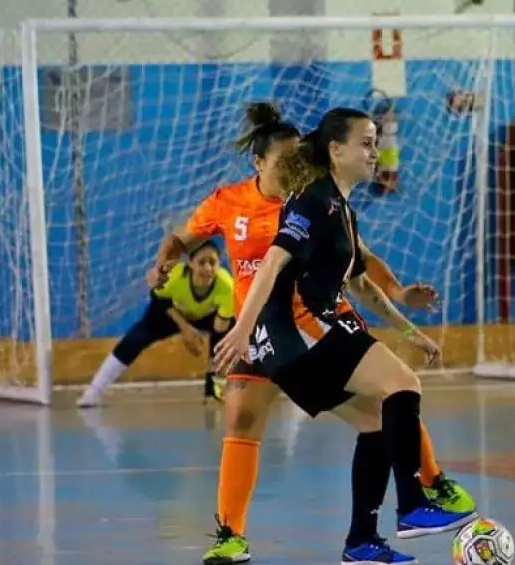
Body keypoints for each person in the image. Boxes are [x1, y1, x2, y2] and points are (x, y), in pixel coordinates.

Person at [148, 103, 475, 565]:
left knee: (381, 414)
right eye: (284, 160)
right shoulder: (259, 201)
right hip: (278, 330)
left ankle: (372, 533)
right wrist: (166, 265)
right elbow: (227, 251)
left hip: (300, 324)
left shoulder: (319, 198)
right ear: (260, 162)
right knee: (249, 421)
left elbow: (358, 263)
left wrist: (401, 301)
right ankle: (232, 534)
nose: (294, 165)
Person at [78, 241, 234, 407]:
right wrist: (186, 329)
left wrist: (212, 345)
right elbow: (158, 298)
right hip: (170, 312)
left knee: (225, 341)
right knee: (134, 339)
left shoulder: (227, 286)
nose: (208, 269)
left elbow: (221, 328)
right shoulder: (175, 276)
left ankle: (213, 388)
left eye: (213, 262)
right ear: (190, 263)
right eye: (202, 262)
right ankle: (93, 392)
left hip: (205, 317)